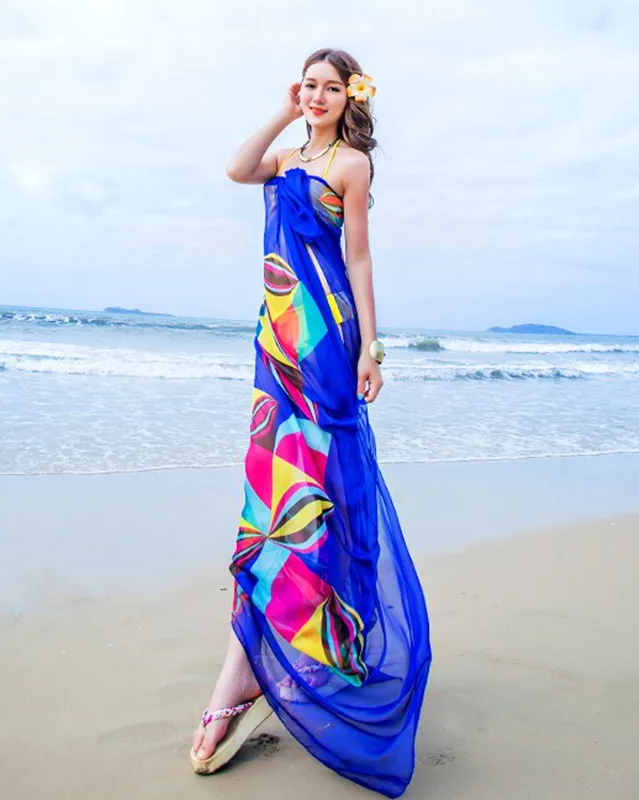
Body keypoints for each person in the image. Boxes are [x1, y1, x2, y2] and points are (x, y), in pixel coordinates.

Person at [189, 47, 432, 798]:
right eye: (309, 86)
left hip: (325, 346)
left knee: (316, 498)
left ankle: (252, 671)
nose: (318, 96)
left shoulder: (352, 165)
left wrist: (370, 348)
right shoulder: (285, 157)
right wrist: (281, 109)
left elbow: (359, 261)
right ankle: (261, 662)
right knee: (270, 500)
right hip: (277, 346)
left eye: (331, 87)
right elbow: (236, 168)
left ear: (350, 96)